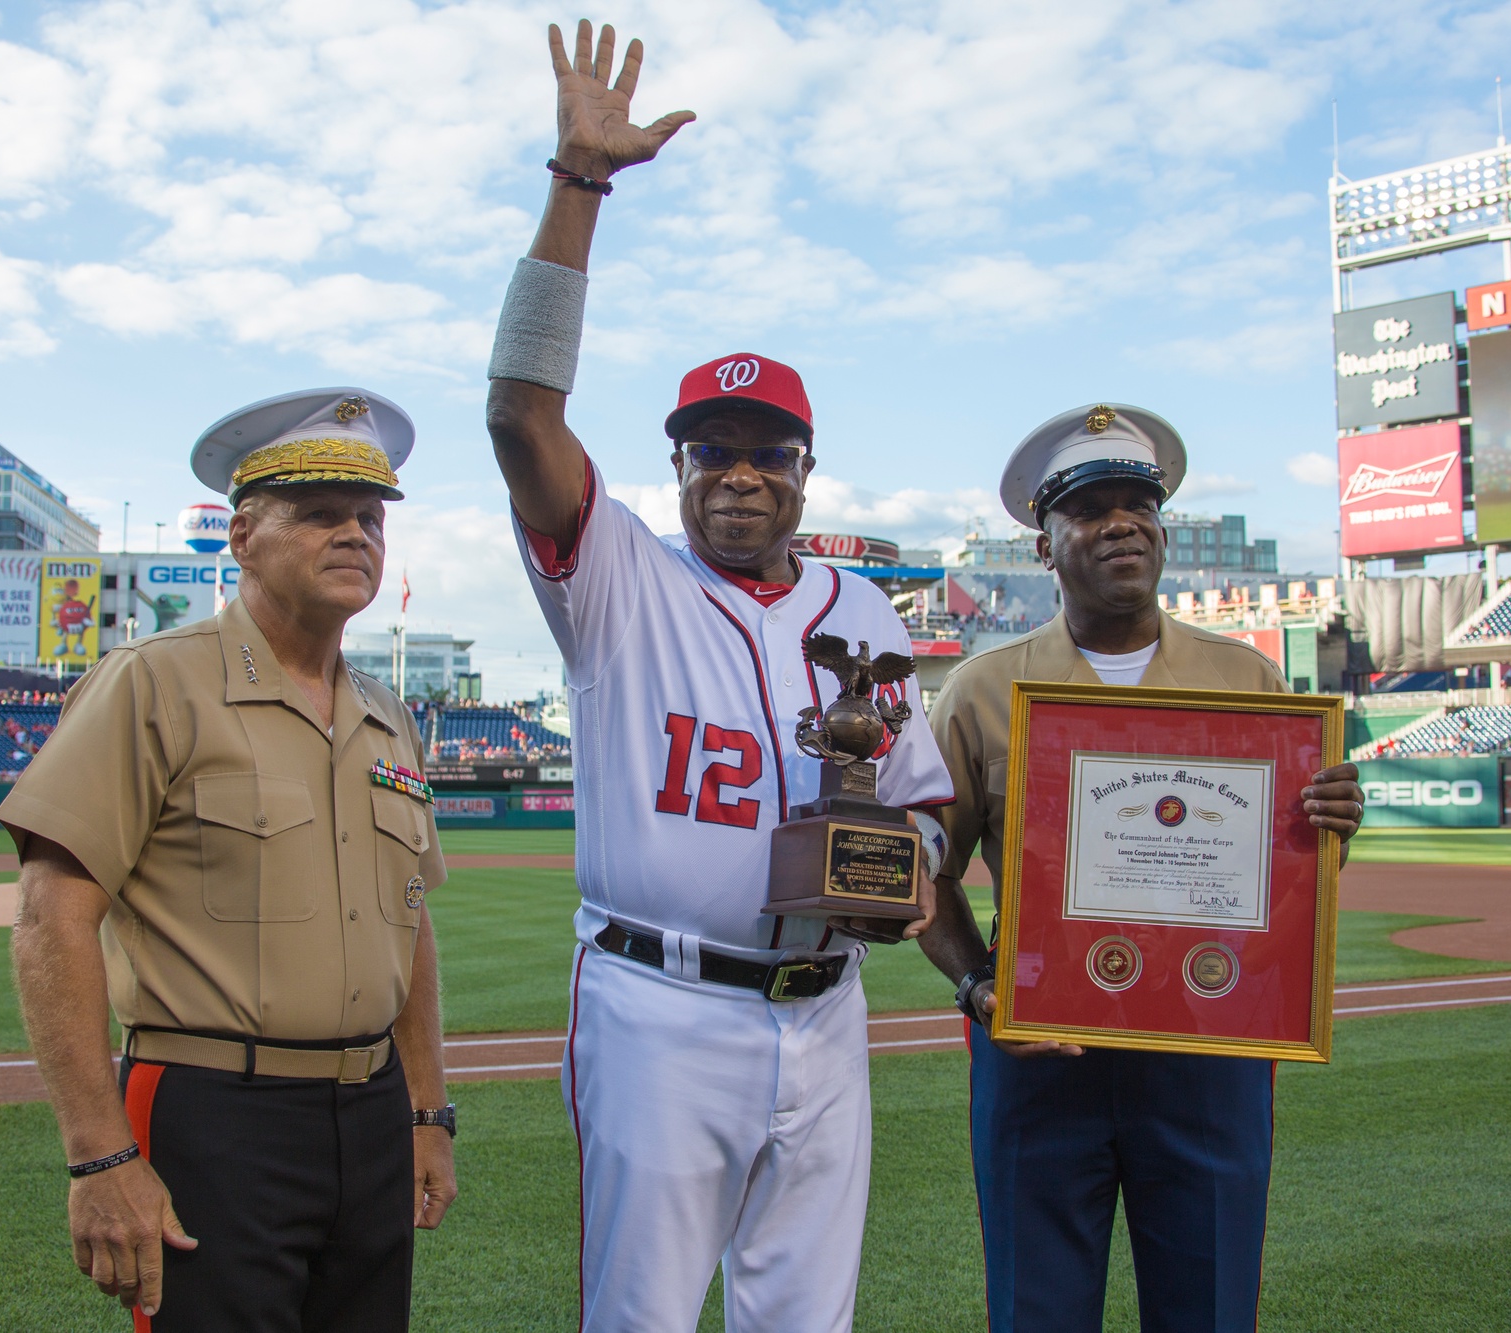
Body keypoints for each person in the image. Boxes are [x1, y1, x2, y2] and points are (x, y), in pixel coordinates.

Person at [483, 20, 954, 1333]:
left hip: (825, 1013)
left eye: (766, 450)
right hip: (655, 1006)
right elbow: (519, 415)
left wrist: (900, 883)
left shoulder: (861, 606)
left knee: (804, 1319)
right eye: (710, 450)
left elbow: (914, 804)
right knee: (637, 1318)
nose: (738, 472)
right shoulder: (614, 577)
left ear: (805, 468)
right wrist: (576, 186)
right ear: (676, 467)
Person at [3, 388, 457, 1332]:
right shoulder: (154, 681)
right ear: (244, 534)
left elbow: (406, 924)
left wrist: (425, 1111)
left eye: (370, 518)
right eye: (321, 513)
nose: (356, 536)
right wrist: (98, 1153)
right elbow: (53, 917)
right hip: (213, 1112)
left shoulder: (387, 713)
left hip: (371, 1115)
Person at [916, 403, 1367, 1333]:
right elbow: (929, 870)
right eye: (1090, 508)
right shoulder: (980, 689)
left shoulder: (1248, 681)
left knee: (1206, 1308)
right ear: (1045, 543)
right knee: (1036, 1308)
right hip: (1041, 1047)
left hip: (1207, 1044)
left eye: (1138, 504)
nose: (1121, 522)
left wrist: (1332, 829)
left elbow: (1281, 883)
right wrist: (973, 983)